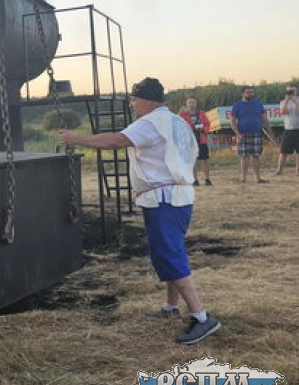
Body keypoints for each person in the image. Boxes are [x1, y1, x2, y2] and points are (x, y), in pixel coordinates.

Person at [58, 77, 221, 345]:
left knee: (170, 254)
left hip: (164, 199)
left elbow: (116, 140)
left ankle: (202, 317)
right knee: (171, 251)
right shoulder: (175, 120)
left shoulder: (150, 123)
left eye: (134, 100)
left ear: (146, 100)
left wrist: (75, 138)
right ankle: (171, 307)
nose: (132, 105)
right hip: (178, 197)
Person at [231, 86, 277, 184]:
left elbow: (265, 119)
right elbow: (232, 121)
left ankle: (257, 178)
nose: (250, 94)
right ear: (243, 93)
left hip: (257, 133)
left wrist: (270, 133)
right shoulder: (237, 105)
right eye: (248, 92)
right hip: (243, 134)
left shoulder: (258, 104)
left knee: (256, 156)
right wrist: (237, 133)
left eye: (252, 92)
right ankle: (243, 178)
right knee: (244, 156)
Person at [179, 97, 212, 185]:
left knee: (204, 160)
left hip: (201, 140)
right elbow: (176, 123)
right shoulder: (182, 115)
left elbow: (208, 124)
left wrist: (204, 130)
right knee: (192, 162)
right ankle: (194, 180)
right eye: (189, 102)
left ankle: (207, 180)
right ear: (186, 104)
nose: (191, 104)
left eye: (193, 102)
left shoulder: (201, 114)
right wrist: (179, 113)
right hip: (188, 141)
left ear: (196, 104)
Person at [275, 85, 299, 175]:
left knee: (298, 152)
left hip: (298, 128)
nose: (291, 93)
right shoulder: (283, 102)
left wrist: (294, 101)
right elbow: (282, 112)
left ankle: (297, 170)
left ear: (296, 91)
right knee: (283, 151)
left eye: (292, 91)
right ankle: (279, 170)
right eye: (289, 91)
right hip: (288, 129)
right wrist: (286, 101)